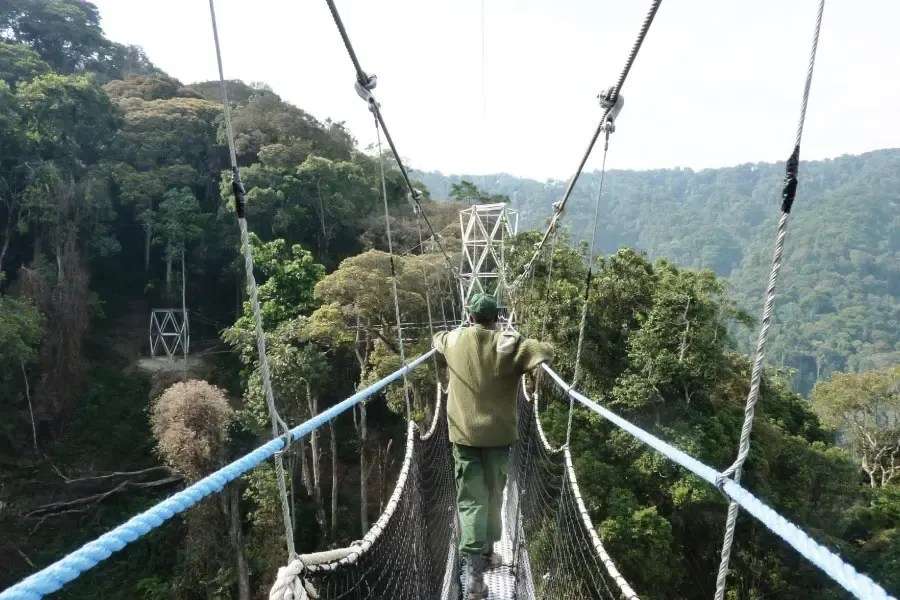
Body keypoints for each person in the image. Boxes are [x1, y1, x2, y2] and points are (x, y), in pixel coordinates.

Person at [433, 292, 553, 600]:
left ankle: (475, 575)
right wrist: (514, 337)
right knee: (495, 493)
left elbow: (437, 338)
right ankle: (487, 554)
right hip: (499, 437)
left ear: (470, 317)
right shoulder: (510, 345)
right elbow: (544, 351)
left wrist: (457, 333)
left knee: (472, 500)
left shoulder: (454, 341)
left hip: (464, 437)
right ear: (497, 318)